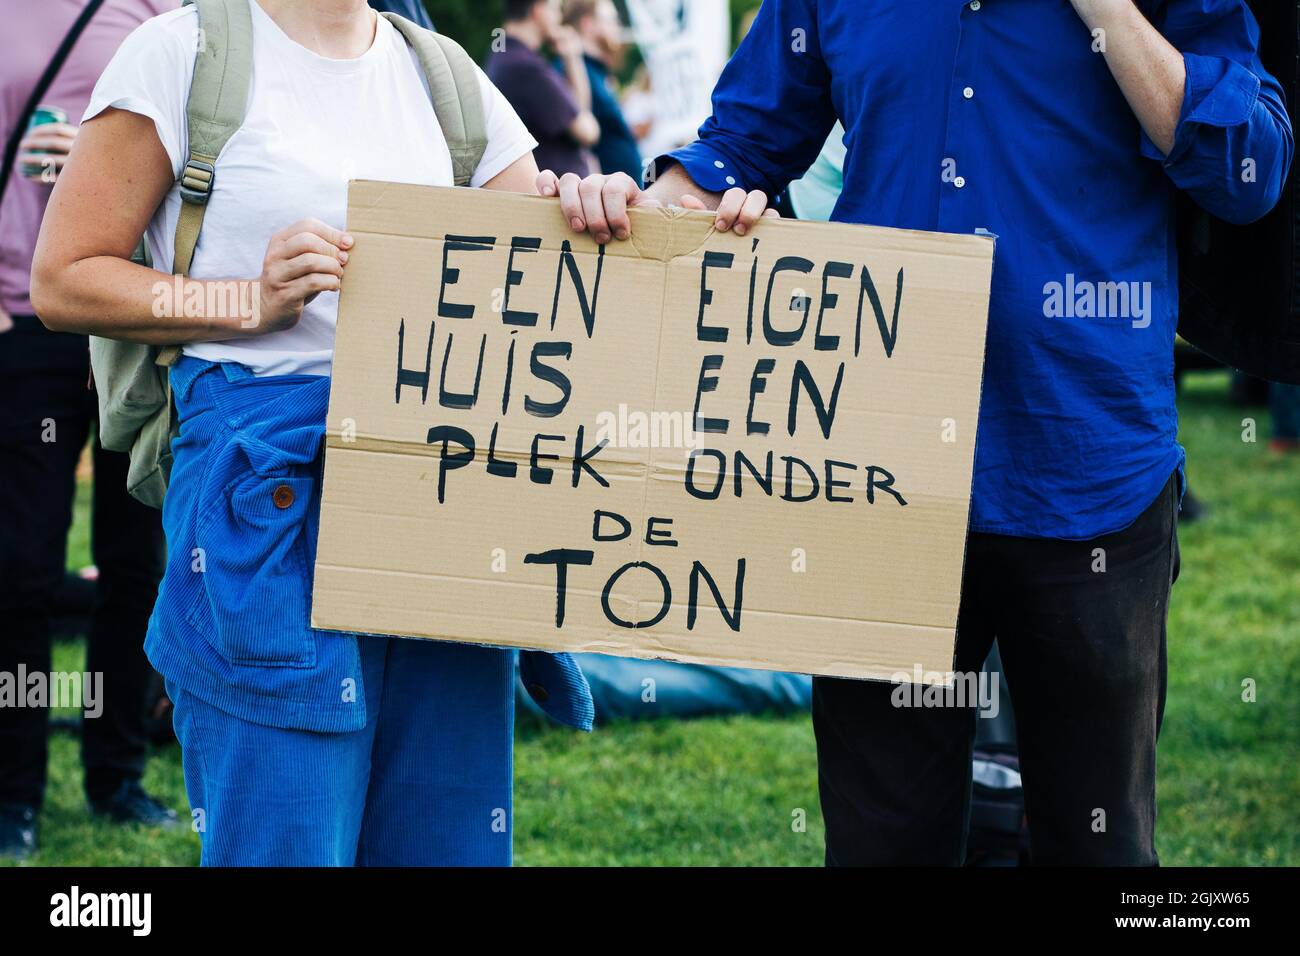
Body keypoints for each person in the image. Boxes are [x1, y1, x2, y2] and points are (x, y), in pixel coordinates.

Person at [537, 0, 1293, 865]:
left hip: (1088, 471)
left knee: (1101, 847)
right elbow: (739, 145)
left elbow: (1246, 173)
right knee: (883, 845)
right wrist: (627, 212)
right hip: (874, 474)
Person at [31, 0, 592, 866]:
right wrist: (247, 303)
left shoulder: (445, 74)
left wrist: (600, 210)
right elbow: (66, 279)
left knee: (443, 838)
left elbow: (555, 271)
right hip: (263, 505)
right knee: (283, 835)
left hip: (438, 499)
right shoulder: (181, 54)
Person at [0, 0, 177, 862]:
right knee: (19, 572)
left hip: (128, 328)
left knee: (133, 564)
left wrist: (104, 172)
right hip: (24, 327)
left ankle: (118, 776)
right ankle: (14, 794)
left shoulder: (165, 13)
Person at [487, 0, 598, 178]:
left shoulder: (504, 55)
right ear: (539, 11)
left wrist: (571, 58)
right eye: (555, 9)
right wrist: (574, 58)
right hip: (555, 195)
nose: (560, 18)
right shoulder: (526, 67)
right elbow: (588, 131)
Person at [559, 0, 641, 181]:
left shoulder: (597, 72)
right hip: (601, 195)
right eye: (611, 19)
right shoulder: (569, 70)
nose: (617, 25)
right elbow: (579, 133)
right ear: (588, 24)